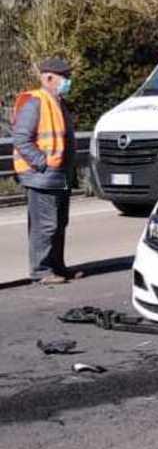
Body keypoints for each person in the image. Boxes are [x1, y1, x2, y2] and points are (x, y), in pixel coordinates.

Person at [12, 56, 82, 284]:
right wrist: (42, 162)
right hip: (41, 176)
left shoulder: (58, 102)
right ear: (49, 77)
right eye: (65, 77)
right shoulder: (35, 102)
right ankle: (41, 271)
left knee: (59, 223)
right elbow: (22, 139)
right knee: (46, 225)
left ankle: (57, 267)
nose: (68, 81)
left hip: (59, 175)